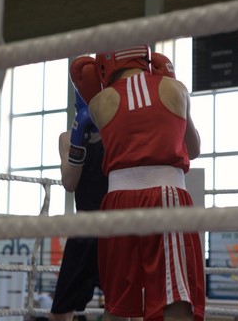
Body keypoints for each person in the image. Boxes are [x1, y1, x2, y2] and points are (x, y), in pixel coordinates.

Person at [89, 45, 205, 321]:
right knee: (175, 301)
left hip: (118, 203)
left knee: (116, 305)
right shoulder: (176, 89)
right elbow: (194, 149)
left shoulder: (98, 102)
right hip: (166, 198)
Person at [51, 55, 108, 321]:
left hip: (116, 228)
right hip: (83, 230)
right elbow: (69, 183)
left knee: (123, 309)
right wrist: (79, 138)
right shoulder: (67, 137)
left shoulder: (116, 133)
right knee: (60, 312)